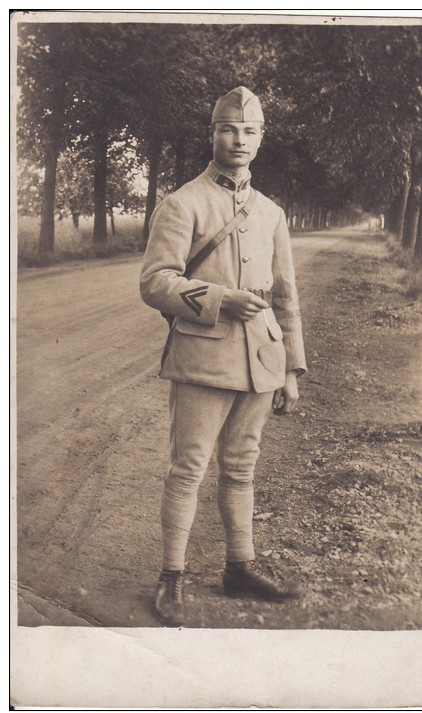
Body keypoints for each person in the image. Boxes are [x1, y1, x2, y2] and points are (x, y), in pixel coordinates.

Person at [140, 86, 307, 626]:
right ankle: (171, 578)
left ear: (261, 139)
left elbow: (286, 295)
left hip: (262, 360)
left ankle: (240, 568)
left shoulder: (272, 213)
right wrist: (216, 299)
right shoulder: (183, 202)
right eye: (228, 129)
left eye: (249, 131)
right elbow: (155, 281)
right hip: (201, 358)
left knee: (241, 468)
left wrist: (291, 369)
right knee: (187, 468)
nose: (238, 140)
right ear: (212, 134)